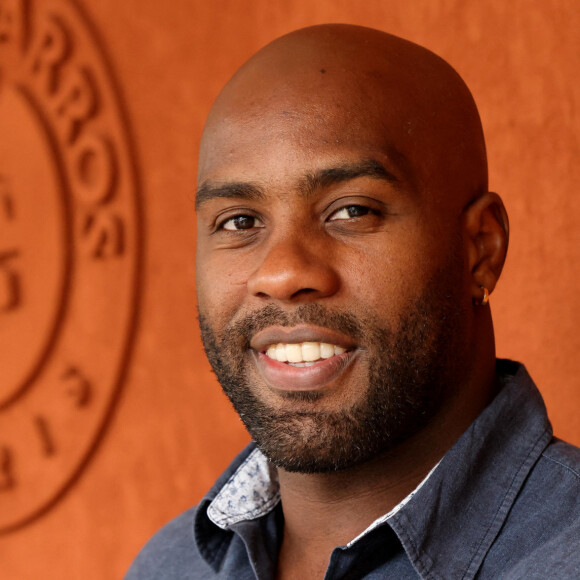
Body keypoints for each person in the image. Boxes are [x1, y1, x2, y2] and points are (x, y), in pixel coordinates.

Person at [125, 24, 580, 579]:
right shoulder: (170, 568)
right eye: (239, 221)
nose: (284, 272)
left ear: (480, 249)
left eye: (352, 211)